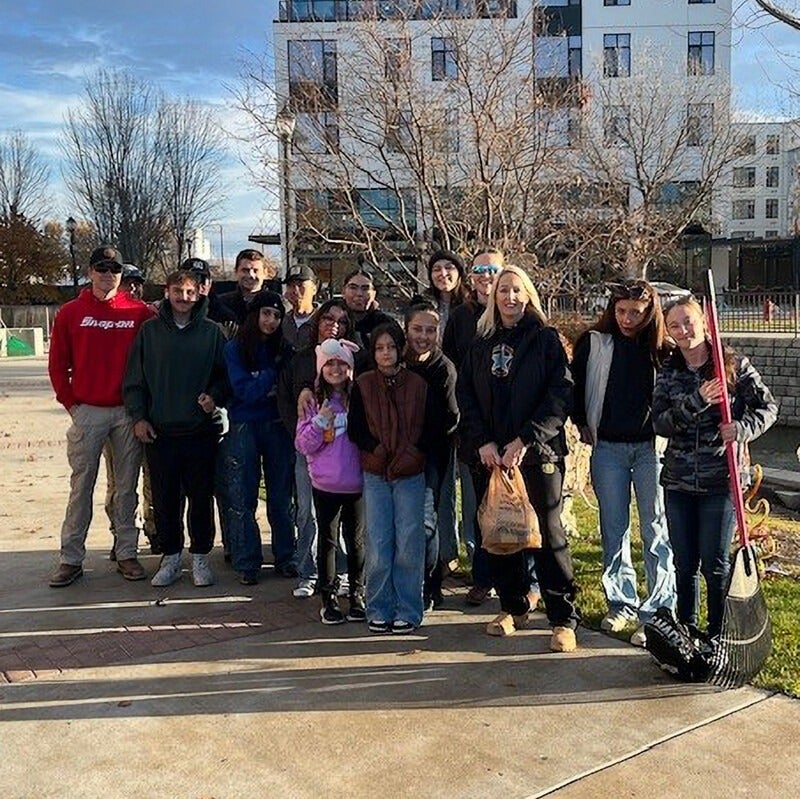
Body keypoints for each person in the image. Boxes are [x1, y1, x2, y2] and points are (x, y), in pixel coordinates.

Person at [457, 265, 579, 652]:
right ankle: (513, 605)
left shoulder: (545, 341)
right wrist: (484, 442)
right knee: (501, 534)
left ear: (528, 295)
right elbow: (467, 398)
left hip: (535, 453)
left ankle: (562, 618)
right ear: (493, 297)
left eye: (517, 290)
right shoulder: (480, 343)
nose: (510, 297)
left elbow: (560, 395)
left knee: (548, 534)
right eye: (503, 291)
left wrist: (525, 439)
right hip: (491, 456)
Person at [653, 297, 777, 639]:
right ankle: (687, 629)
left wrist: (741, 428)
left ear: (704, 322)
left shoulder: (732, 365)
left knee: (716, 563)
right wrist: (697, 401)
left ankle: (718, 632)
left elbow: (768, 408)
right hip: (678, 481)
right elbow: (660, 424)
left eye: (688, 322)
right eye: (674, 325)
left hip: (720, 481)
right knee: (684, 563)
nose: (682, 331)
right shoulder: (670, 370)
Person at [571, 279, 676, 647]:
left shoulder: (663, 350)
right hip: (609, 448)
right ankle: (622, 601)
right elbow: (575, 386)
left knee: (656, 528)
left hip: (651, 449)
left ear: (650, 312)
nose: (628, 319)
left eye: (636, 312)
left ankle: (660, 605)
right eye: (621, 311)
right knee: (614, 528)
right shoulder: (595, 343)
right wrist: (582, 421)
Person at [48, 245, 155, 587]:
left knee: (126, 488)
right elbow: (57, 364)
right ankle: (71, 558)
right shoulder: (71, 312)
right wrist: (72, 406)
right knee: (82, 487)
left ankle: (126, 552)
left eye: (114, 268)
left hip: (127, 412)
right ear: (90, 271)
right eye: (101, 267)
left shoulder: (139, 313)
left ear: (122, 274)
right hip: (88, 411)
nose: (108, 273)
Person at [123, 269, 229, 588]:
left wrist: (214, 397)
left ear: (199, 295)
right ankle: (170, 557)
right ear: (167, 291)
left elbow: (224, 376)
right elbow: (134, 380)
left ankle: (199, 557)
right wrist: (139, 417)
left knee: (200, 498)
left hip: (199, 432)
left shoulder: (212, 333)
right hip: (161, 432)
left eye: (190, 292)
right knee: (166, 499)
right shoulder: (149, 332)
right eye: (178, 291)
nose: (184, 298)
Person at [348, 323, 433, 634]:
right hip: (375, 473)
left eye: (391, 347)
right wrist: (377, 450)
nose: (386, 353)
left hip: (410, 473)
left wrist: (412, 455)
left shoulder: (418, 384)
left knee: (409, 542)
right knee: (379, 542)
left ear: (400, 349)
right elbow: (356, 428)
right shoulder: (363, 384)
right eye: (380, 348)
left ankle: (409, 610)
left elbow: (430, 428)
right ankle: (379, 607)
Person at [278, 299, 357, 598]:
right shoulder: (300, 359)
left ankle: (346, 572)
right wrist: (304, 435)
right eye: (328, 318)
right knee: (307, 514)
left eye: (342, 320)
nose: (334, 324)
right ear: (317, 321)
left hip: (346, 456)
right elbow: (286, 401)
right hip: (309, 449)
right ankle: (308, 571)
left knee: (349, 521)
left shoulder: (352, 361)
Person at [442, 247, 505, 604]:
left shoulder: (514, 313)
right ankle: (482, 577)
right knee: (478, 506)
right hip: (472, 426)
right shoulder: (461, 318)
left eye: (492, 269)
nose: (485, 275)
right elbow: (451, 370)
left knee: (513, 505)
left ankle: (519, 577)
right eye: (479, 269)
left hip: (508, 427)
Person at [221, 291, 296, 583]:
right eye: (266, 314)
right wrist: (269, 374)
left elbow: (285, 391)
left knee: (280, 496)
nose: (271, 321)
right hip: (244, 427)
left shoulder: (285, 350)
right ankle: (247, 561)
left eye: (277, 316)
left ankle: (286, 556)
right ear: (255, 316)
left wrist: (264, 378)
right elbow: (245, 392)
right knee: (243, 497)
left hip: (277, 427)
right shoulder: (235, 348)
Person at [295, 338, 365, 624]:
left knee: (357, 541)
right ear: (320, 368)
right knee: (327, 541)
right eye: (329, 363)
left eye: (342, 363)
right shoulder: (312, 401)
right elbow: (303, 444)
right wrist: (320, 422)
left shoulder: (360, 398)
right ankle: (329, 597)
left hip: (357, 483)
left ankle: (358, 594)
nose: (335, 369)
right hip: (325, 485)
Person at [404, 302, 459, 611]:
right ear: (406, 329)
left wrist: (419, 446)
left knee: (426, 522)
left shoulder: (444, 369)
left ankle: (430, 586)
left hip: (430, 457)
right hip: (393, 457)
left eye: (430, 330)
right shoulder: (395, 361)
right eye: (417, 329)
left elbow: (451, 419)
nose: (423, 336)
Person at [218, 249, 281, 325]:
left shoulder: (278, 302)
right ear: (236, 272)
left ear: (265, 272)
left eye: (255, 270)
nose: (251, 275)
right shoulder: (221, 304)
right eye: (245, 270)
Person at [341, 267, 395, 351]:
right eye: (353, 288)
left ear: (374, 294)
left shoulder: (385, 323)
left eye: (365, 289)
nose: (359, 294)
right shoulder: (332, 321)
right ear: (343, 292)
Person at [181, 257, 237, 330]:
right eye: (191, 281)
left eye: (203, 281)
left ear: (210, 283)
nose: (198, 286)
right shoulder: (167, 313)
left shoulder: (225, 318)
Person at [282, 265, 318, 349]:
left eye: (300, 285)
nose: (295, 291)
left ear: (314, 289)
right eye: (290, 286)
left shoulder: (324, 320)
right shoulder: (283, 321)